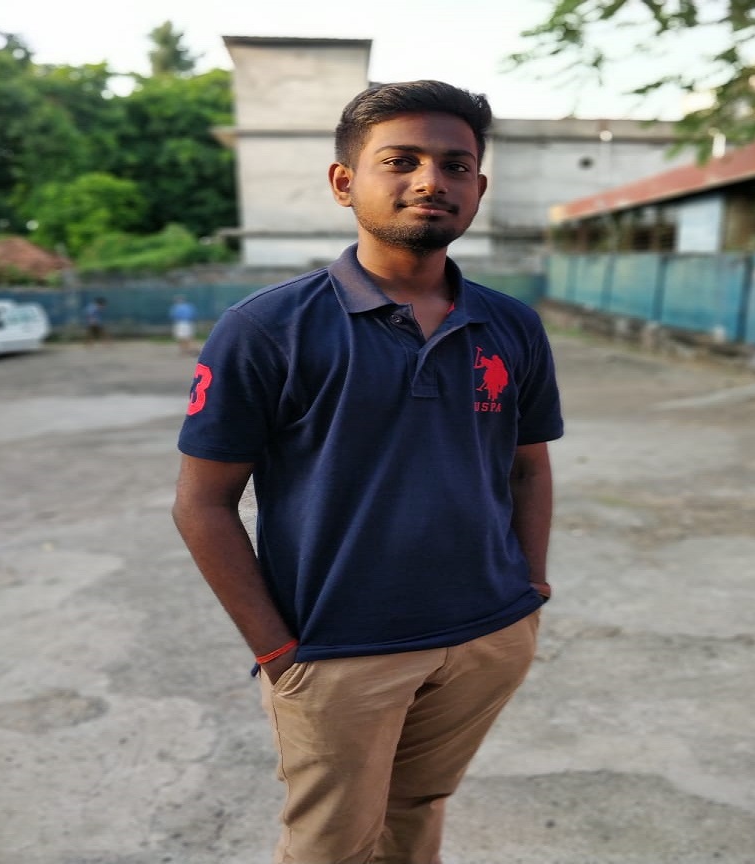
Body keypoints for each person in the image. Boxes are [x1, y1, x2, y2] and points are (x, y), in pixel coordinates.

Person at [172, 80, 563, 864]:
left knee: (417, 810)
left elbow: (528, 469)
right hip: (339, 650)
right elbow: (203, 505)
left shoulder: (511, 324)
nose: (431, 180)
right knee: (332, 844)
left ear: (478, 187)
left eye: (456, 165)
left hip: (486, 637)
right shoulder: (267, 329)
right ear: (344, 181)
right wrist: (279, 652)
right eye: (401, 160)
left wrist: (528, 593)